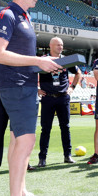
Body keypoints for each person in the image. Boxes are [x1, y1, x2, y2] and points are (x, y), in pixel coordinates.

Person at [0, 0, 62, 196]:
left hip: (24, 84)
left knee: (16, 141)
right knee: (27, 142)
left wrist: (45, 65)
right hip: (15, 86)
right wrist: (37, 61)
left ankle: (21, 194)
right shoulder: (6, 15)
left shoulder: (24, 17)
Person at [37, 37, 82, 167]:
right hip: (48, 97)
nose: (60, 47)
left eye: (62, 45)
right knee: (45, 129)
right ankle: (42, 158)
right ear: (51, 45)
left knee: (65, 127)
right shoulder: (43, 60)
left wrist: (72, 87)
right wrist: (37, 89)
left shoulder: (66, 60)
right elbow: (30, 73)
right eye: (58, 45)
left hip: (63, 97)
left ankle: (67, 156)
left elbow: (78, 73)